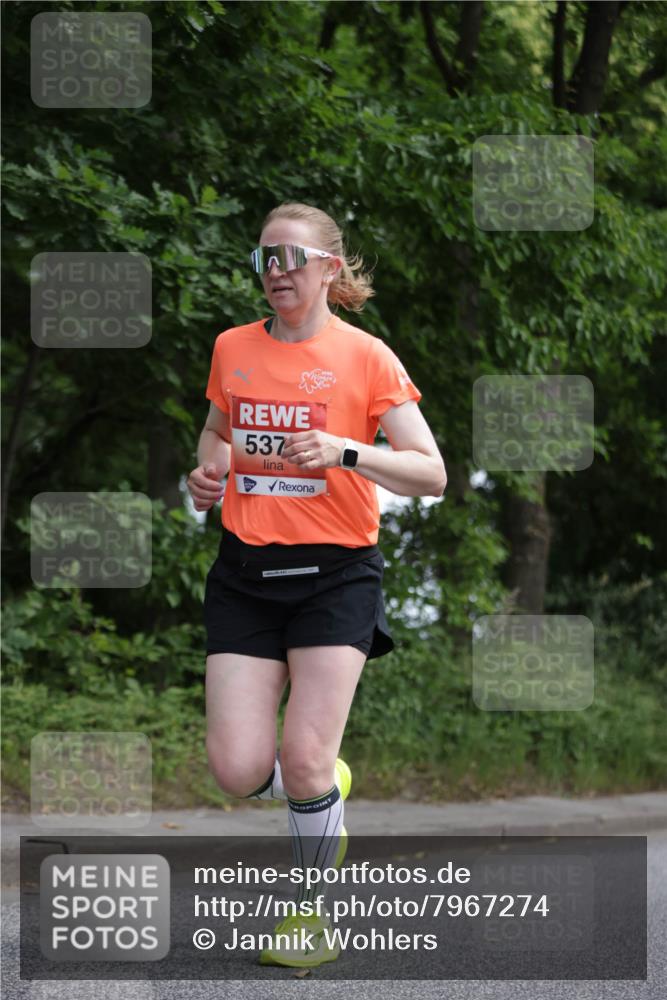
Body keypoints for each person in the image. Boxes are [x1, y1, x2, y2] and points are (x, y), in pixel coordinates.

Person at [187, 202, 446, 968]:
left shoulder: (367, 357)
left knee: (300, 756)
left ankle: (309, 918)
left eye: (291, 257)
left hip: (335, 576)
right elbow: (215, 434)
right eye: (264, 258)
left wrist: (345, 451)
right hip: (244, 575)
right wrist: (207, 471)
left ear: (329, 269)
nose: (275, 273)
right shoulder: (232, 347)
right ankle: (319, 786)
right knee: (238, 771)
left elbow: (430, 474)